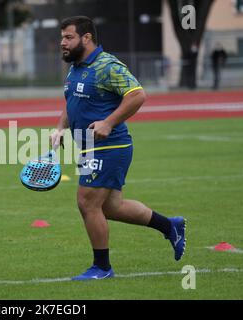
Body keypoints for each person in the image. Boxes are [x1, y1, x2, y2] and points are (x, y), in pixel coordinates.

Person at [50, 16, 186, 281]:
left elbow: (137, 95)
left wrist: (109, 122)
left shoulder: (107, 66)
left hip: (110, 146)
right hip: (89, 148)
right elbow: (71, 102)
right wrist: (59, 128)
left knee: (87, 202)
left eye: (68, 37)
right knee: (111, 208)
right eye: (62, 38)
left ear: (86, 38)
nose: (62, 43)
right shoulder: (76, 67)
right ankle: (170, 226)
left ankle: (102, 268)